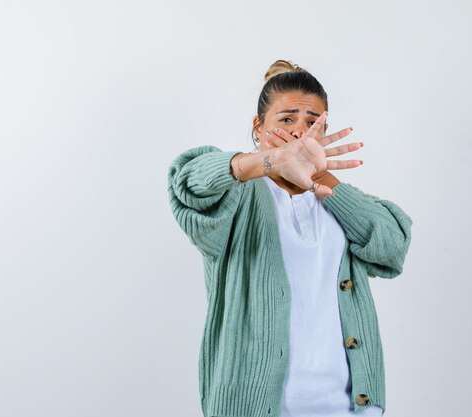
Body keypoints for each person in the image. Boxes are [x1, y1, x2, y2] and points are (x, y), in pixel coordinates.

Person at [167, 59, 413, 417]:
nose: (300, 131)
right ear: (257, 127)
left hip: (348, 408)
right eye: (286, 119)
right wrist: (269, 161)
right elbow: (187, 183)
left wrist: (324, 178)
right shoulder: (234, 198)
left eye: (313, 122)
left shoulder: (336, 201)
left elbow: (392, 247)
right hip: (254, 407)